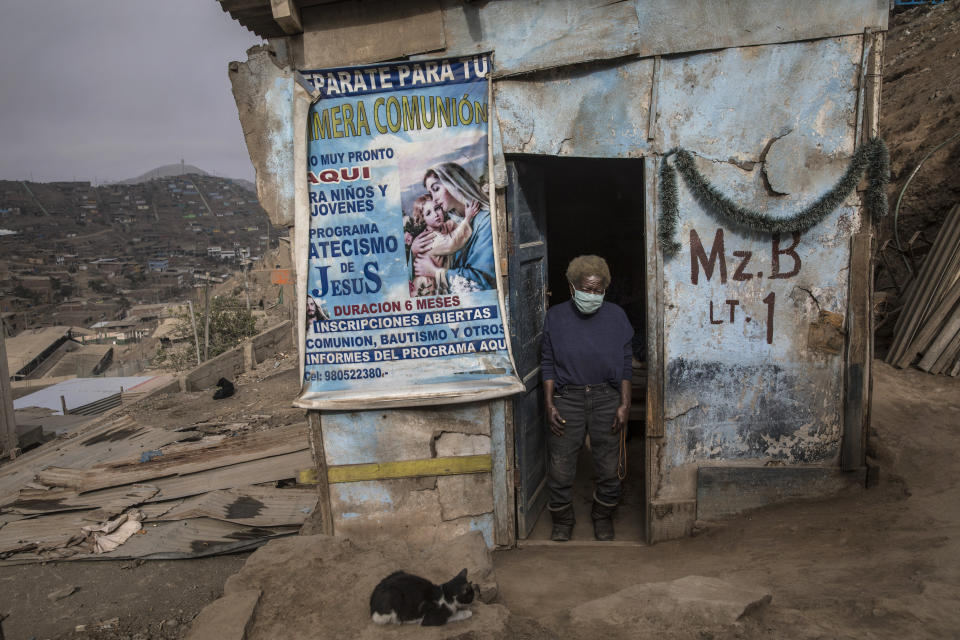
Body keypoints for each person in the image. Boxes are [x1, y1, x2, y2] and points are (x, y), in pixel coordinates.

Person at [541, 255, 633, 542]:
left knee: (609, 465)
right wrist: (549, 403)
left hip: (607, 397)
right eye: (586, 289)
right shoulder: (555, 317)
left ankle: (602, 516)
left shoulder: (617, 317)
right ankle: (563, 520)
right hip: (568, 398)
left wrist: (625, 403)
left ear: (604, 289)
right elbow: (547, 363)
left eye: (597, 290)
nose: (591, 295)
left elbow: (627, 363)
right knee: (560, 466)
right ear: (572, 287)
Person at [413, 162, 495, 294]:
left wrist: (436, 272)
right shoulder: (453, 224)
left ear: (453, 184)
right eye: (430, 192)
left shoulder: (485, 222)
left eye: (436, 189)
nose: (434, 198)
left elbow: (483, 282)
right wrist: (415, 249)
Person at [410, 198, 481, 296]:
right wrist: (467, 218)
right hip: (427, 284)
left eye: (437, 208)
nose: (436, 214)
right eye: (428, 213)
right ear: (423, 220)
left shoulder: (444, 227)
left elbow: (455, 226)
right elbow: (451, 243)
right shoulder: (430, 238)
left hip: (437, 278)